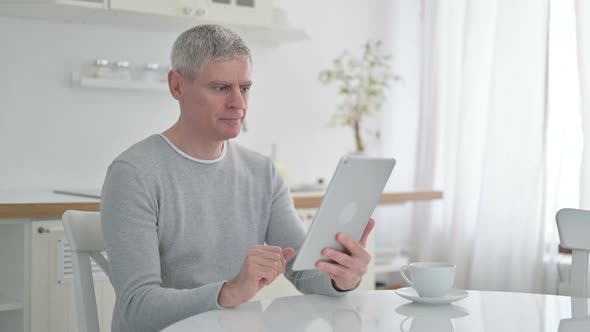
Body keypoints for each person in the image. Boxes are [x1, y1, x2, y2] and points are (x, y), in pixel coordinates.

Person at [100, 24, 375, 332]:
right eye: (220, 88)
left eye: (244, 88)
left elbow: (307, 272)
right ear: (177, 85)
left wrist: (342, 277)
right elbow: (137, 308)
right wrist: (229, 291)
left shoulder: (262, 173)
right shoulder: (134, 174)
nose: (239, 103)